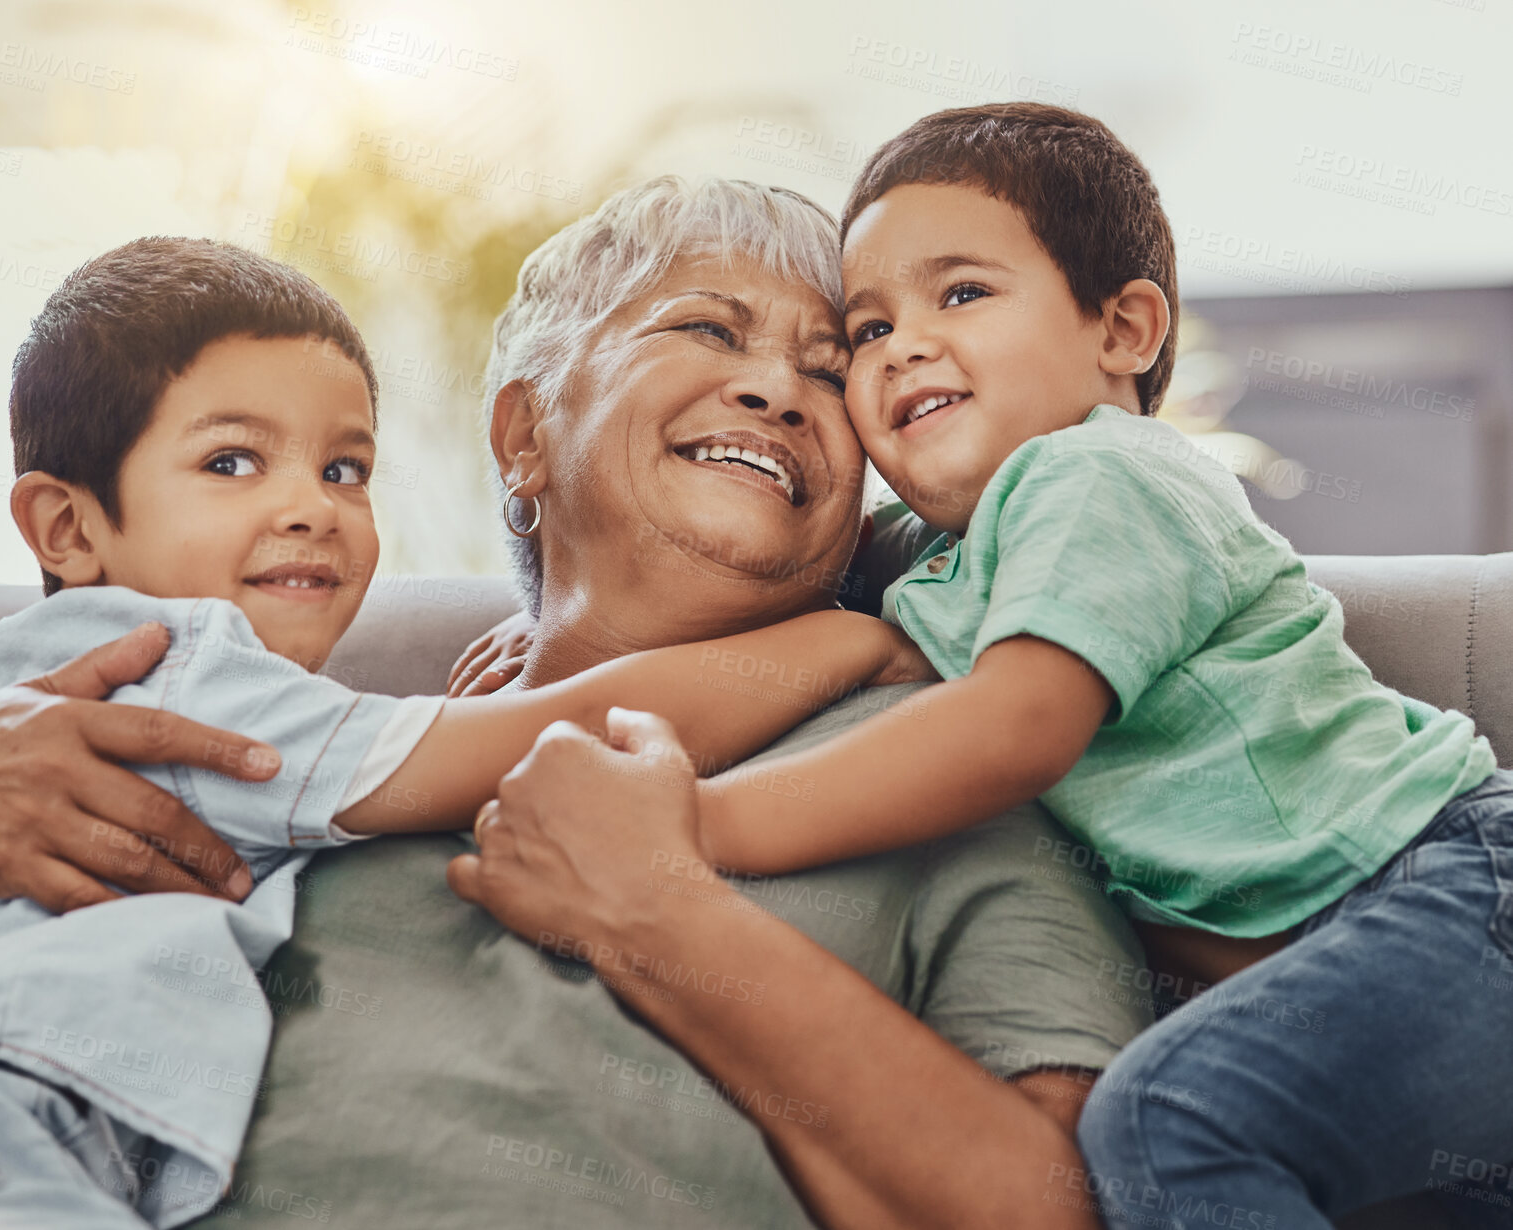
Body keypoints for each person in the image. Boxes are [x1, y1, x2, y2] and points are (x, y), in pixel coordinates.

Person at [0, 179, 1151, 1230]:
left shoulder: (936, 763)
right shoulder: (251, 729)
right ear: (525, 435)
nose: (779, 390)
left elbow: (1051, 1206)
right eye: (708, 331)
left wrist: (666, 917)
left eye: (830, 374)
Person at [620, 104, 1513, 1228]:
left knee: (1167, 1124)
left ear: (1125, 331)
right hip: (1370, 963)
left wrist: (694, 828)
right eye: (868, 329)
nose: (903, 347)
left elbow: (1013, 728)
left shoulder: (1099, 478)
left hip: (1454, 890)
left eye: (961, 294)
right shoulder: (946, 561)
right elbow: (782, 566)